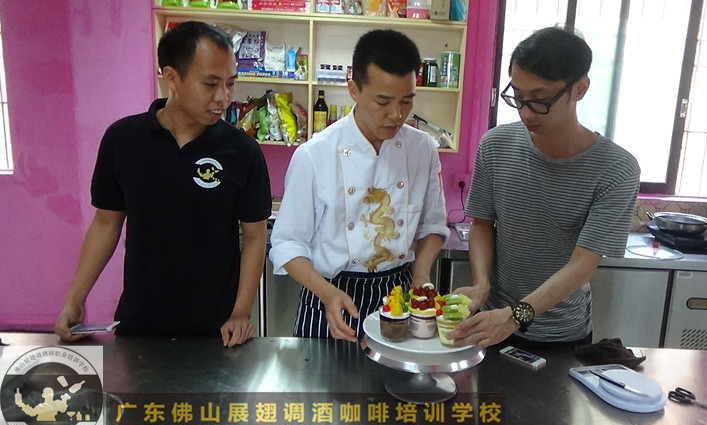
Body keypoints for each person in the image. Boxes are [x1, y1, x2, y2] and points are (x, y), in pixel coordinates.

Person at [54, 21, 271, 347]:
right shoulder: (123, 140)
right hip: (141, 323)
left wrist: (241, 312)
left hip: (217, 331)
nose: (224, 97)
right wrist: (75, 298)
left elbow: (255, 238)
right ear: (171, 77)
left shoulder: (243, 152)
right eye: (210, 84)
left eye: (230, 83)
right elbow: (106, 224)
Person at [448, 27, 640, 350]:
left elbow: (583, 263)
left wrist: (516, 316)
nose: (525, 112)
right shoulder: (495, 145)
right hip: (491, 324)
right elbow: (482, 224)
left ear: (579, 89)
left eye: (539, 100)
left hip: (561, 335)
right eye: (518, 97)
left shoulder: (616, 169)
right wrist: (481, 285)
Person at [269, 29, 449, 342]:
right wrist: (326, 293)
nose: (397, 114)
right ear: (354, 89)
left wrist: (421, 275)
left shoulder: (423, 150)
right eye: (383, 101)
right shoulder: (315, 155)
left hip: (397, 297)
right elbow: (286, 243)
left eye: (407, 100)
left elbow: (433, 225)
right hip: (328, 295)